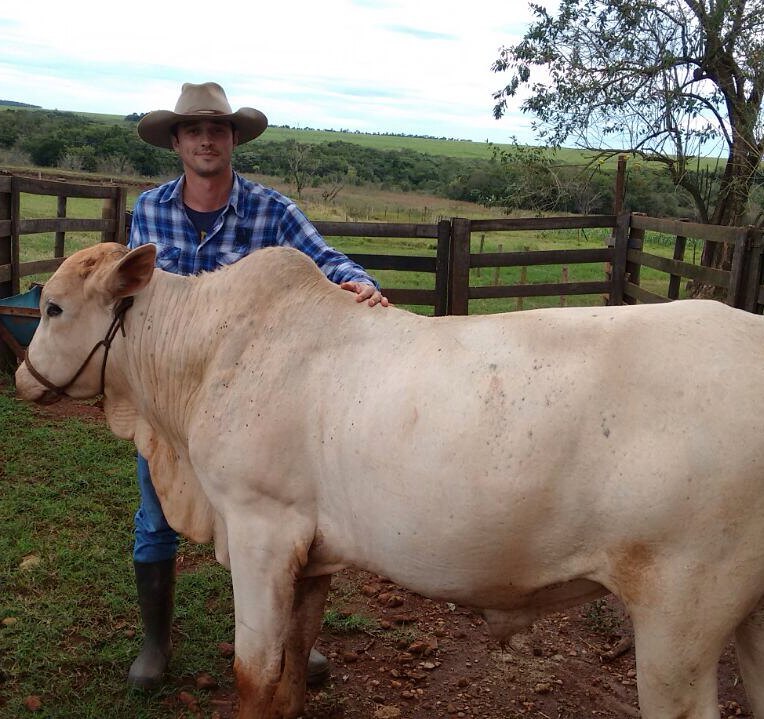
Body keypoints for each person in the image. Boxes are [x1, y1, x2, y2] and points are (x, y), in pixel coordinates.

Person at [127, 81, 388, 690]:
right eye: (195, 130)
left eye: (218, 129)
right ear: (176, 142)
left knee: (272, 514)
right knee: (155, 515)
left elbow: (328, 259)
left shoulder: (272, 211)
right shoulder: (149, 210)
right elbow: (130, 296)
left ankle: (291, 643)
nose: (207, 140)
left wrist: (359, 284)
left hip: (253, 405)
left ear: (234, 139)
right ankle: (155, 643)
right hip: (172, 399)